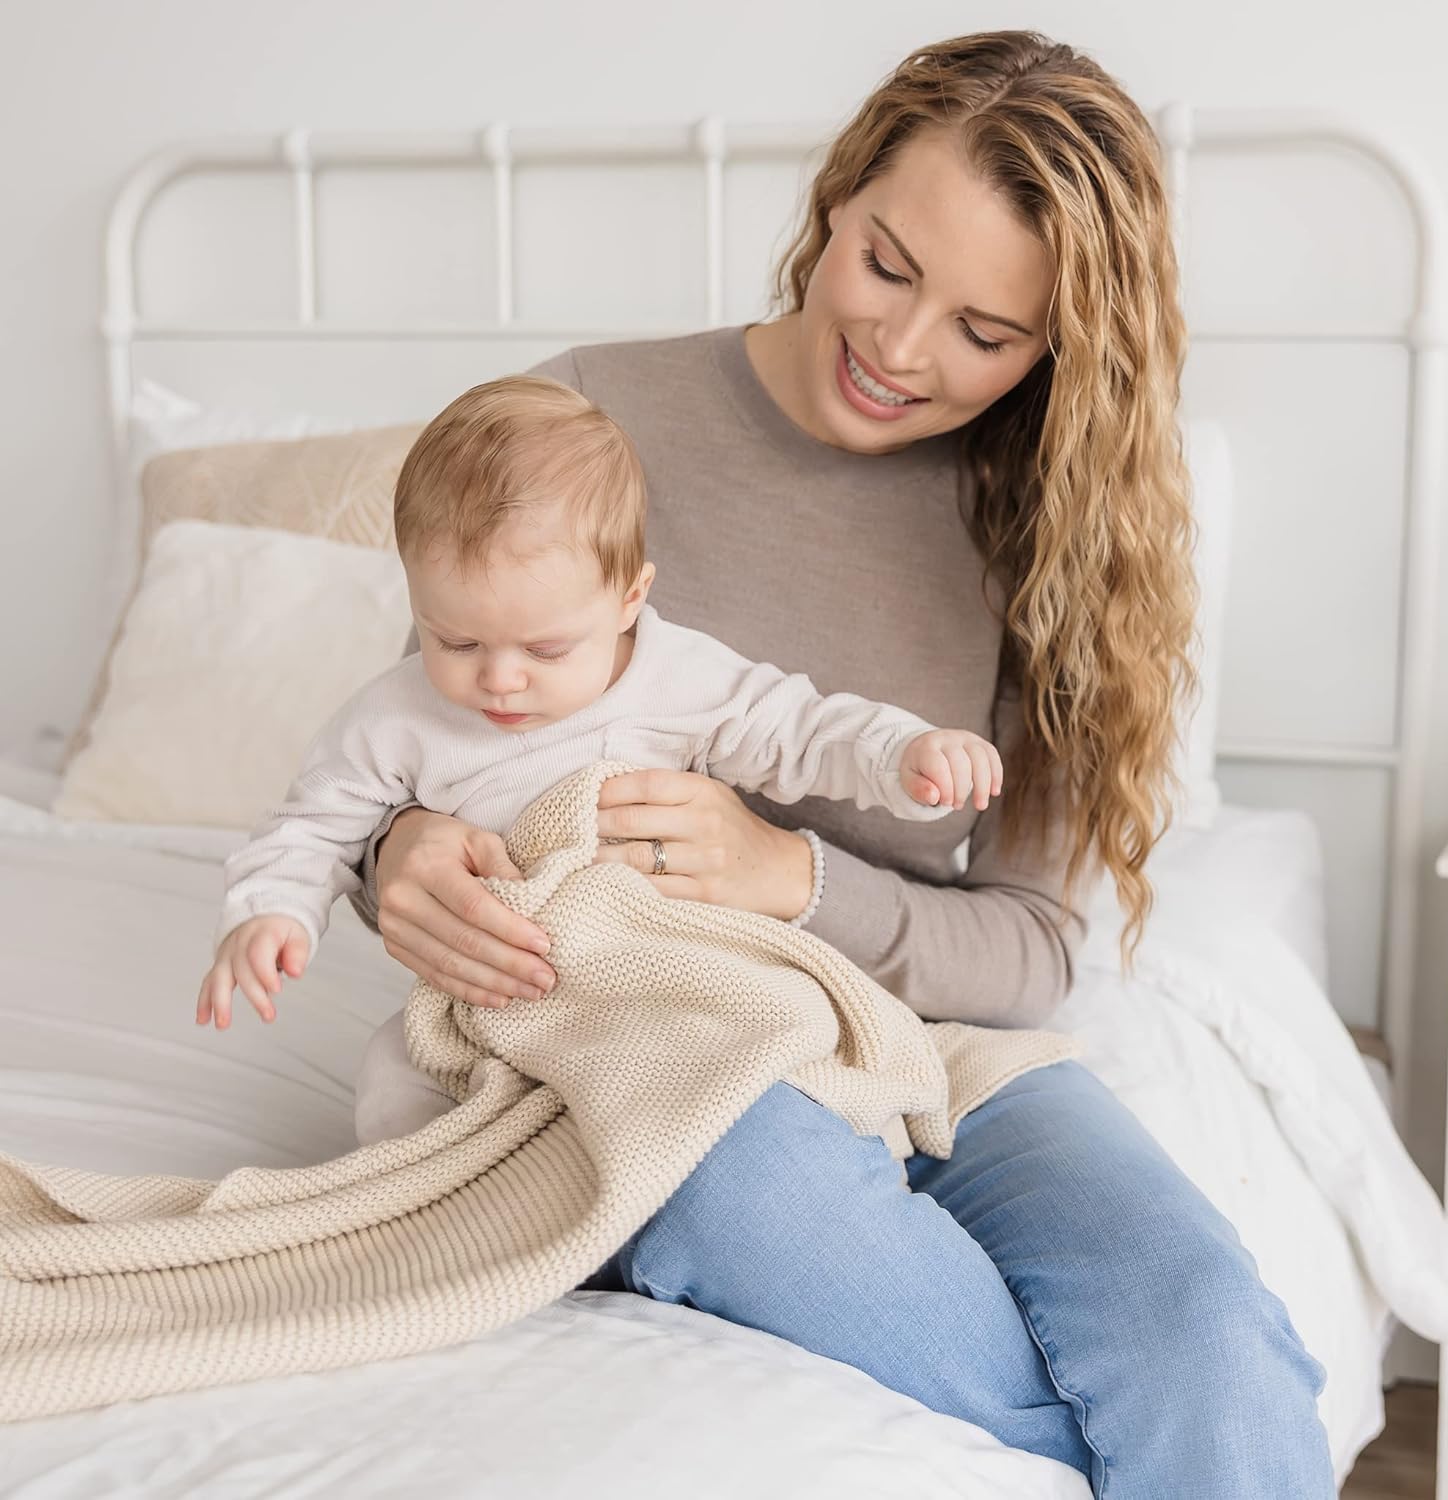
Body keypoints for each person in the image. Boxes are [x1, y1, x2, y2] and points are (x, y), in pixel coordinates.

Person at [354, 31, 1335, 1498]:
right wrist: (396, 862)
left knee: (1204, 1329)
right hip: (656, 1041)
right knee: (758, 1194)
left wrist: (790, 876)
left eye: (985, 334)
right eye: (886, 264)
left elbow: (1028, 956)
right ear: (837, 198)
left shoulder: (1059, 539)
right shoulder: (585, 420)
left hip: (939, 1055)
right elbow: (398, 748)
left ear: (1058, 349)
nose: (900, 348)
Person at [196, 375, 1002, 1034]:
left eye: (546, 650)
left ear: (628, 598)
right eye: (456, 642)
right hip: (497, 1007)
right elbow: (312, 825)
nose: (500, 681)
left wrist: (904, 754)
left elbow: (803, 730)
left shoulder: (678, 678)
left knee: (770, 1033)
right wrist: (273, 916)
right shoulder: (394, 717)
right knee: (393, 1088)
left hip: (664, 990)